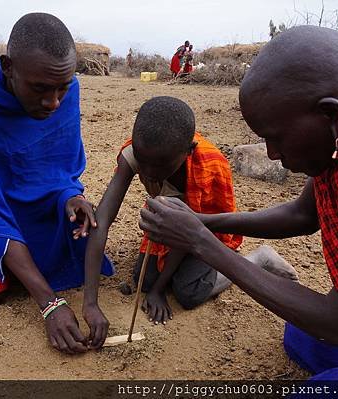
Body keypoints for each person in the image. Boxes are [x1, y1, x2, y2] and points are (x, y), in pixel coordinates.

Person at [139, 25, 338, 379]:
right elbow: (304, 214)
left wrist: (200, 240)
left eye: (275, 138)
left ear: (330, 115)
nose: (272, 154)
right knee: (301, 336)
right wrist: (204, 221)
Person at [0, 13, 113, 355]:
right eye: (41, 89)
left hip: (35, 199)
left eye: (63, 87)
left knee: (72, 255)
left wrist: (71, 196)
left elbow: (59, 165)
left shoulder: (63, 90)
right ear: (8, 67)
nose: (54, 102)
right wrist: (49, 304)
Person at [83, 96, 297, 348]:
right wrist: (90, 304)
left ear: (188, 151)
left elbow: (190, 233)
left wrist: (159, 290)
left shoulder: (209, 167)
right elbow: (103, 220)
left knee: (188, 293)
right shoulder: (137, 152)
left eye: (160, 165)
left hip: (206, 229)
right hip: (172, 221)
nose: (149, 172)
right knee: (145, 279)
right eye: (144, 161)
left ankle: (258, 259)